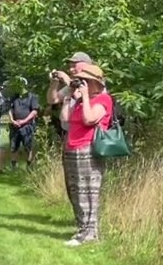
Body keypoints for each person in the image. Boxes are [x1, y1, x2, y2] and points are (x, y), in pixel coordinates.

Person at [60, 62, 114, 246]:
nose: (82, 84)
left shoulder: (103, 100)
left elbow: (89, 119)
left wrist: (84, 98)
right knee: (75, 191)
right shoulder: (81, 100)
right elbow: (65, 119)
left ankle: (90, 233)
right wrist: (69, 97)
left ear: (95, 84)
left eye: (85, 81)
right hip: (72, 148)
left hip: (89, 149)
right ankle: (81, 229)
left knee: (89, 191)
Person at [48, 51, 92, 139]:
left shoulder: (94, 83)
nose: (71, 70)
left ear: (85, 65)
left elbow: (80, 98)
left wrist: (67, 80)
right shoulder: (73, 84)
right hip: (71, 132)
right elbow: (53, 100)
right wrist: (54, 83)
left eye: (74, 66)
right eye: (70, 66)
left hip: (87, 134)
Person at [6, 76, 41, 170]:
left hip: (27, 126)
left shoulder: (32, 97)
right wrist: (12, 121)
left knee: (28, 147)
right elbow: (10, 110)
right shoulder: (14, 97)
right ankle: (13, 166)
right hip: (14, 126)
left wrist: (24, 121)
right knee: (13, 146)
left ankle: (29, 166)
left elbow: (34, 111)